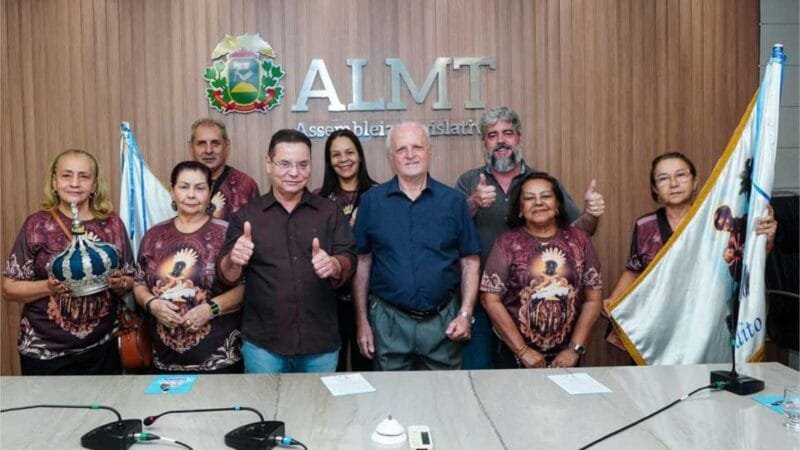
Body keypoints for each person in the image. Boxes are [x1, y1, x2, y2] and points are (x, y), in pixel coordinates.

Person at [455, 106, 605, 369]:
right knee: (481, 379)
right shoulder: (469, 181)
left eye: (507, 133)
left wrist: (592, 214)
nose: (501, 141)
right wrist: (474, 203)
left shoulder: (540, 182)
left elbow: (578, 231)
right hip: (482, 302)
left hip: (536, 304)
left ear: (519, 138)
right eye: (492, 135)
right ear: (484, 142)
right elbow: (450, 229)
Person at [603, 152, 777, 349]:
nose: (674, 183)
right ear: (655, 189)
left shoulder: (717, 222)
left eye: (681, 175)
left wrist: (766, 239)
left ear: (695, 182)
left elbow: (745, 265)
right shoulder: (646, 225)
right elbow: (635, 269)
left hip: (708, 324)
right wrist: (614, 299)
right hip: (660, 326)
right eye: (663, 178)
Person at [218, 129, 356, 374]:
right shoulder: (246, 216)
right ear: (268, 164)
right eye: (285, 164)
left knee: (319, 412)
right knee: (266, 412)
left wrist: (335, 265)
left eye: (302, 164)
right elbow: (226, 275)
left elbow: (349, 259)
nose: (294, 172)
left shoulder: (329, 212)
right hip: (264, 347)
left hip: (320, 344)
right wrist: (234, 260)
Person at [353, 122, 481, 371]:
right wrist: (362, 322)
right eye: (401, 149)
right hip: (388, 322)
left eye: (417, 147)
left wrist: (465, 314)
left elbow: (470, 261)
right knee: (392, 400)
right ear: (391, 158)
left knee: (444, 398)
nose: (410, 155)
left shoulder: (453, 202)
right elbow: (362, 263)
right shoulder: (371, 202)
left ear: (429, 151)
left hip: (444, 322)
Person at [2, 149, 134, 375]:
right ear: (54, 182)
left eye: (84, 176)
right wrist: (48, 286)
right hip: (45, 352)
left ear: (94, 185)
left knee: (104, 411)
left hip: (102, 348)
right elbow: (9, 288)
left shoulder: (112, 224)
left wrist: (120, 283)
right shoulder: (37, 225)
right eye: (66, 175)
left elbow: (131, 279)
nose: (75, 183)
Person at [480, 172, 603, 368]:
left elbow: (594, 298)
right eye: (529, 198)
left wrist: (574, 350)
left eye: (546, 196)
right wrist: (522, 351)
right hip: (514, 355)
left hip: (567, 356)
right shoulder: (506, 243)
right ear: (520, 209)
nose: (538, 202)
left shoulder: (580, 240)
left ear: (557, 206)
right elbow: (490, 299)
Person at [133, 161, 244, 373]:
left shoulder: (228, 233)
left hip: (219, 360)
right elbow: (138, 282)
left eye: (200, 188)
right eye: (184, 187)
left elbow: (247, 286)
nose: (191, 195)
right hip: (164, 361)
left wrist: (210, 309)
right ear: (172, 189)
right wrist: (152, 304)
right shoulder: (154, 235)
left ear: (210, 192)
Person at [313, 129, 378, 372]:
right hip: (328, 302)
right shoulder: (317, 199)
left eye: (349, 152)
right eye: (336, 154)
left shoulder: (379, 195)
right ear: (329, 161)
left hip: (373, 300)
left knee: (369, 371)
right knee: (332, 373)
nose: (344, 159)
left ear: (360, 156)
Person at [188, 118, 260, 220]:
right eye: (202, 143)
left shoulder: (246, 186)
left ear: (226, 146)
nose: (209, 150)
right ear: (191, 147)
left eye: (215, 143)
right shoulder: (181, 186)